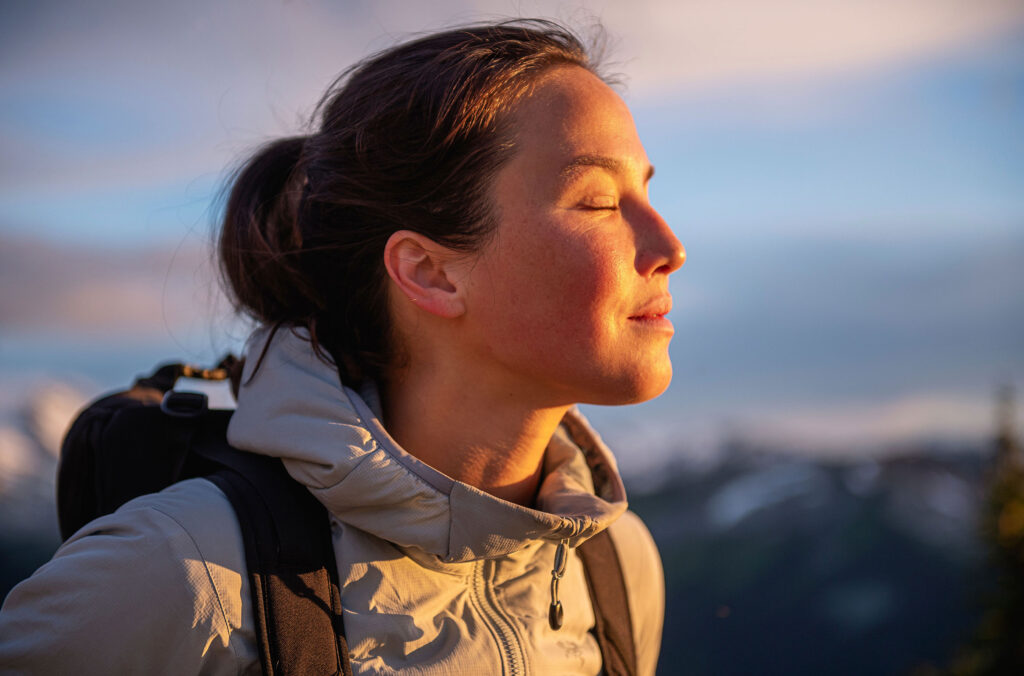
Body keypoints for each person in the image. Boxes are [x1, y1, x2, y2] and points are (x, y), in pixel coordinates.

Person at [0, 19, 683, 675]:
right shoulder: (182, 572)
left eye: (645, 193)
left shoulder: (616, 566)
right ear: (430, 272)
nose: (669, 247)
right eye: (596, 202)